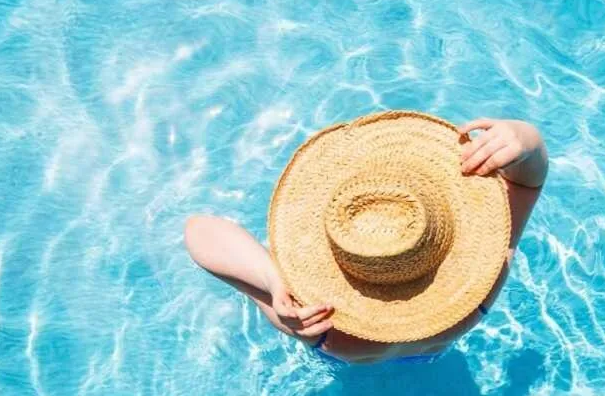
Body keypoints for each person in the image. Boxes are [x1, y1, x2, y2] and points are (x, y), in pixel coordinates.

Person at [185, 112, 547, 364]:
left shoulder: (315, 318)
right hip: (438, 356)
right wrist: (525, 139)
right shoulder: (480, 284)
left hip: (348, 366)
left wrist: (273, 281)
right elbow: (528, 180)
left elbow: (199, 231)